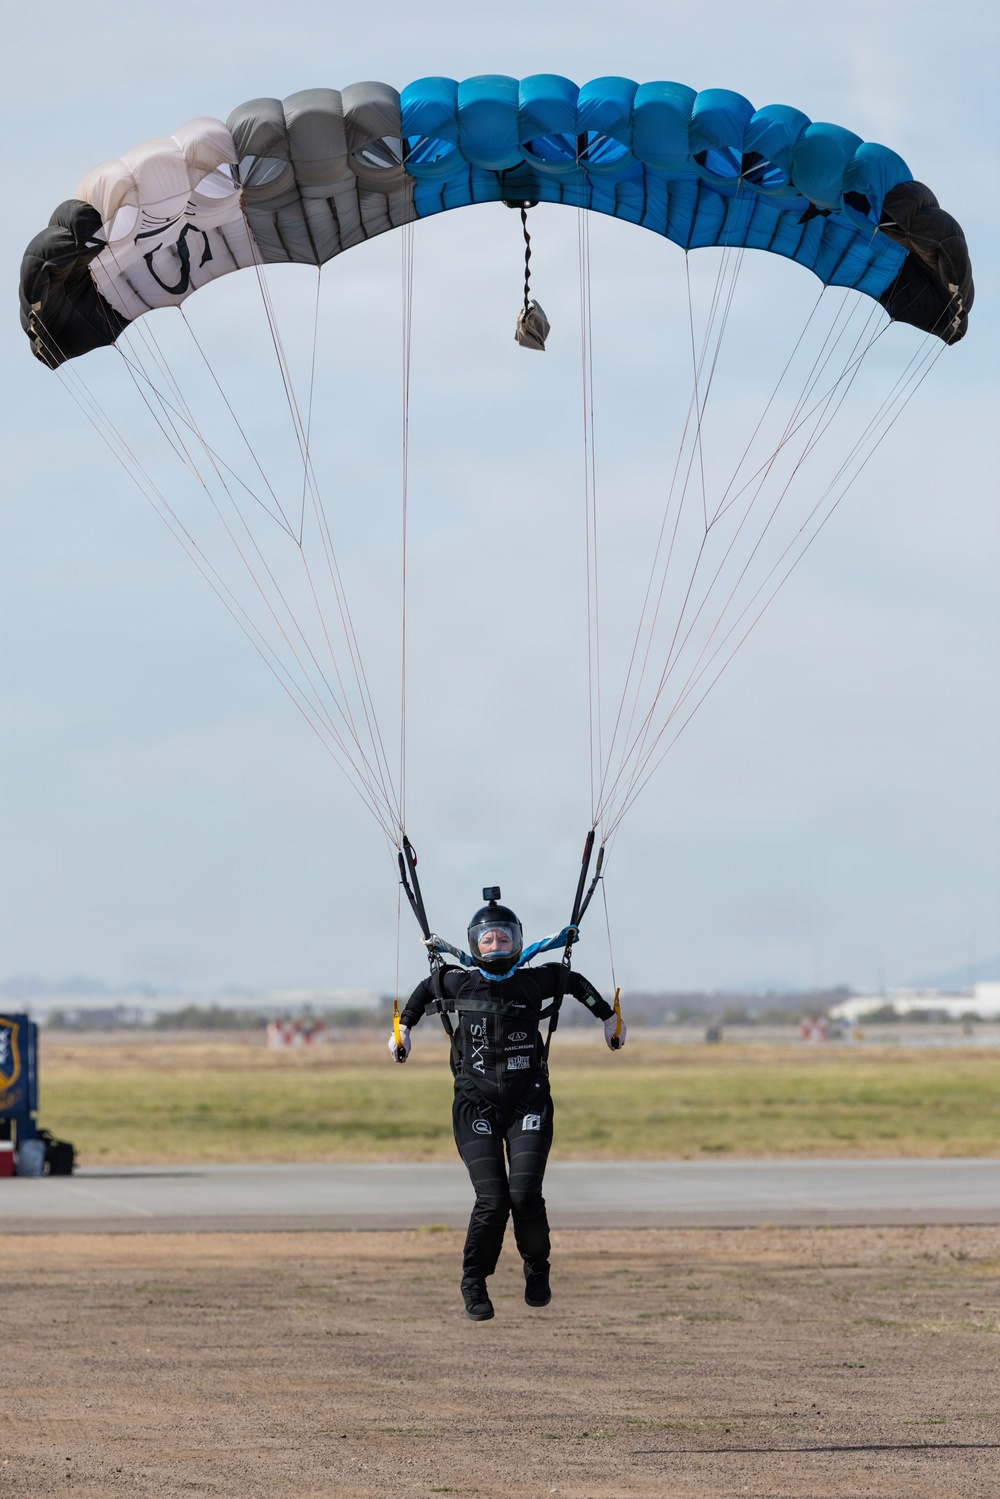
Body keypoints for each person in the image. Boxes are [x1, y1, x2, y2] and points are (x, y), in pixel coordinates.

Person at [389, 889, 626, 1321]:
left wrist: (609, 1017)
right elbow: (424, 993)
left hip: (528, 1101)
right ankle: (474, 1280)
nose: (495, 946)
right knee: (493, 1199)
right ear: (475, 944)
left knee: (524, 1194)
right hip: (475, 1106)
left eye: (503, 938)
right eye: (487, 940)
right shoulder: (459, 980)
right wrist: (401, 1030)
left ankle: (537, 1268)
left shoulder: (534, 980)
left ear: (517, 941)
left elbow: (572, 983)